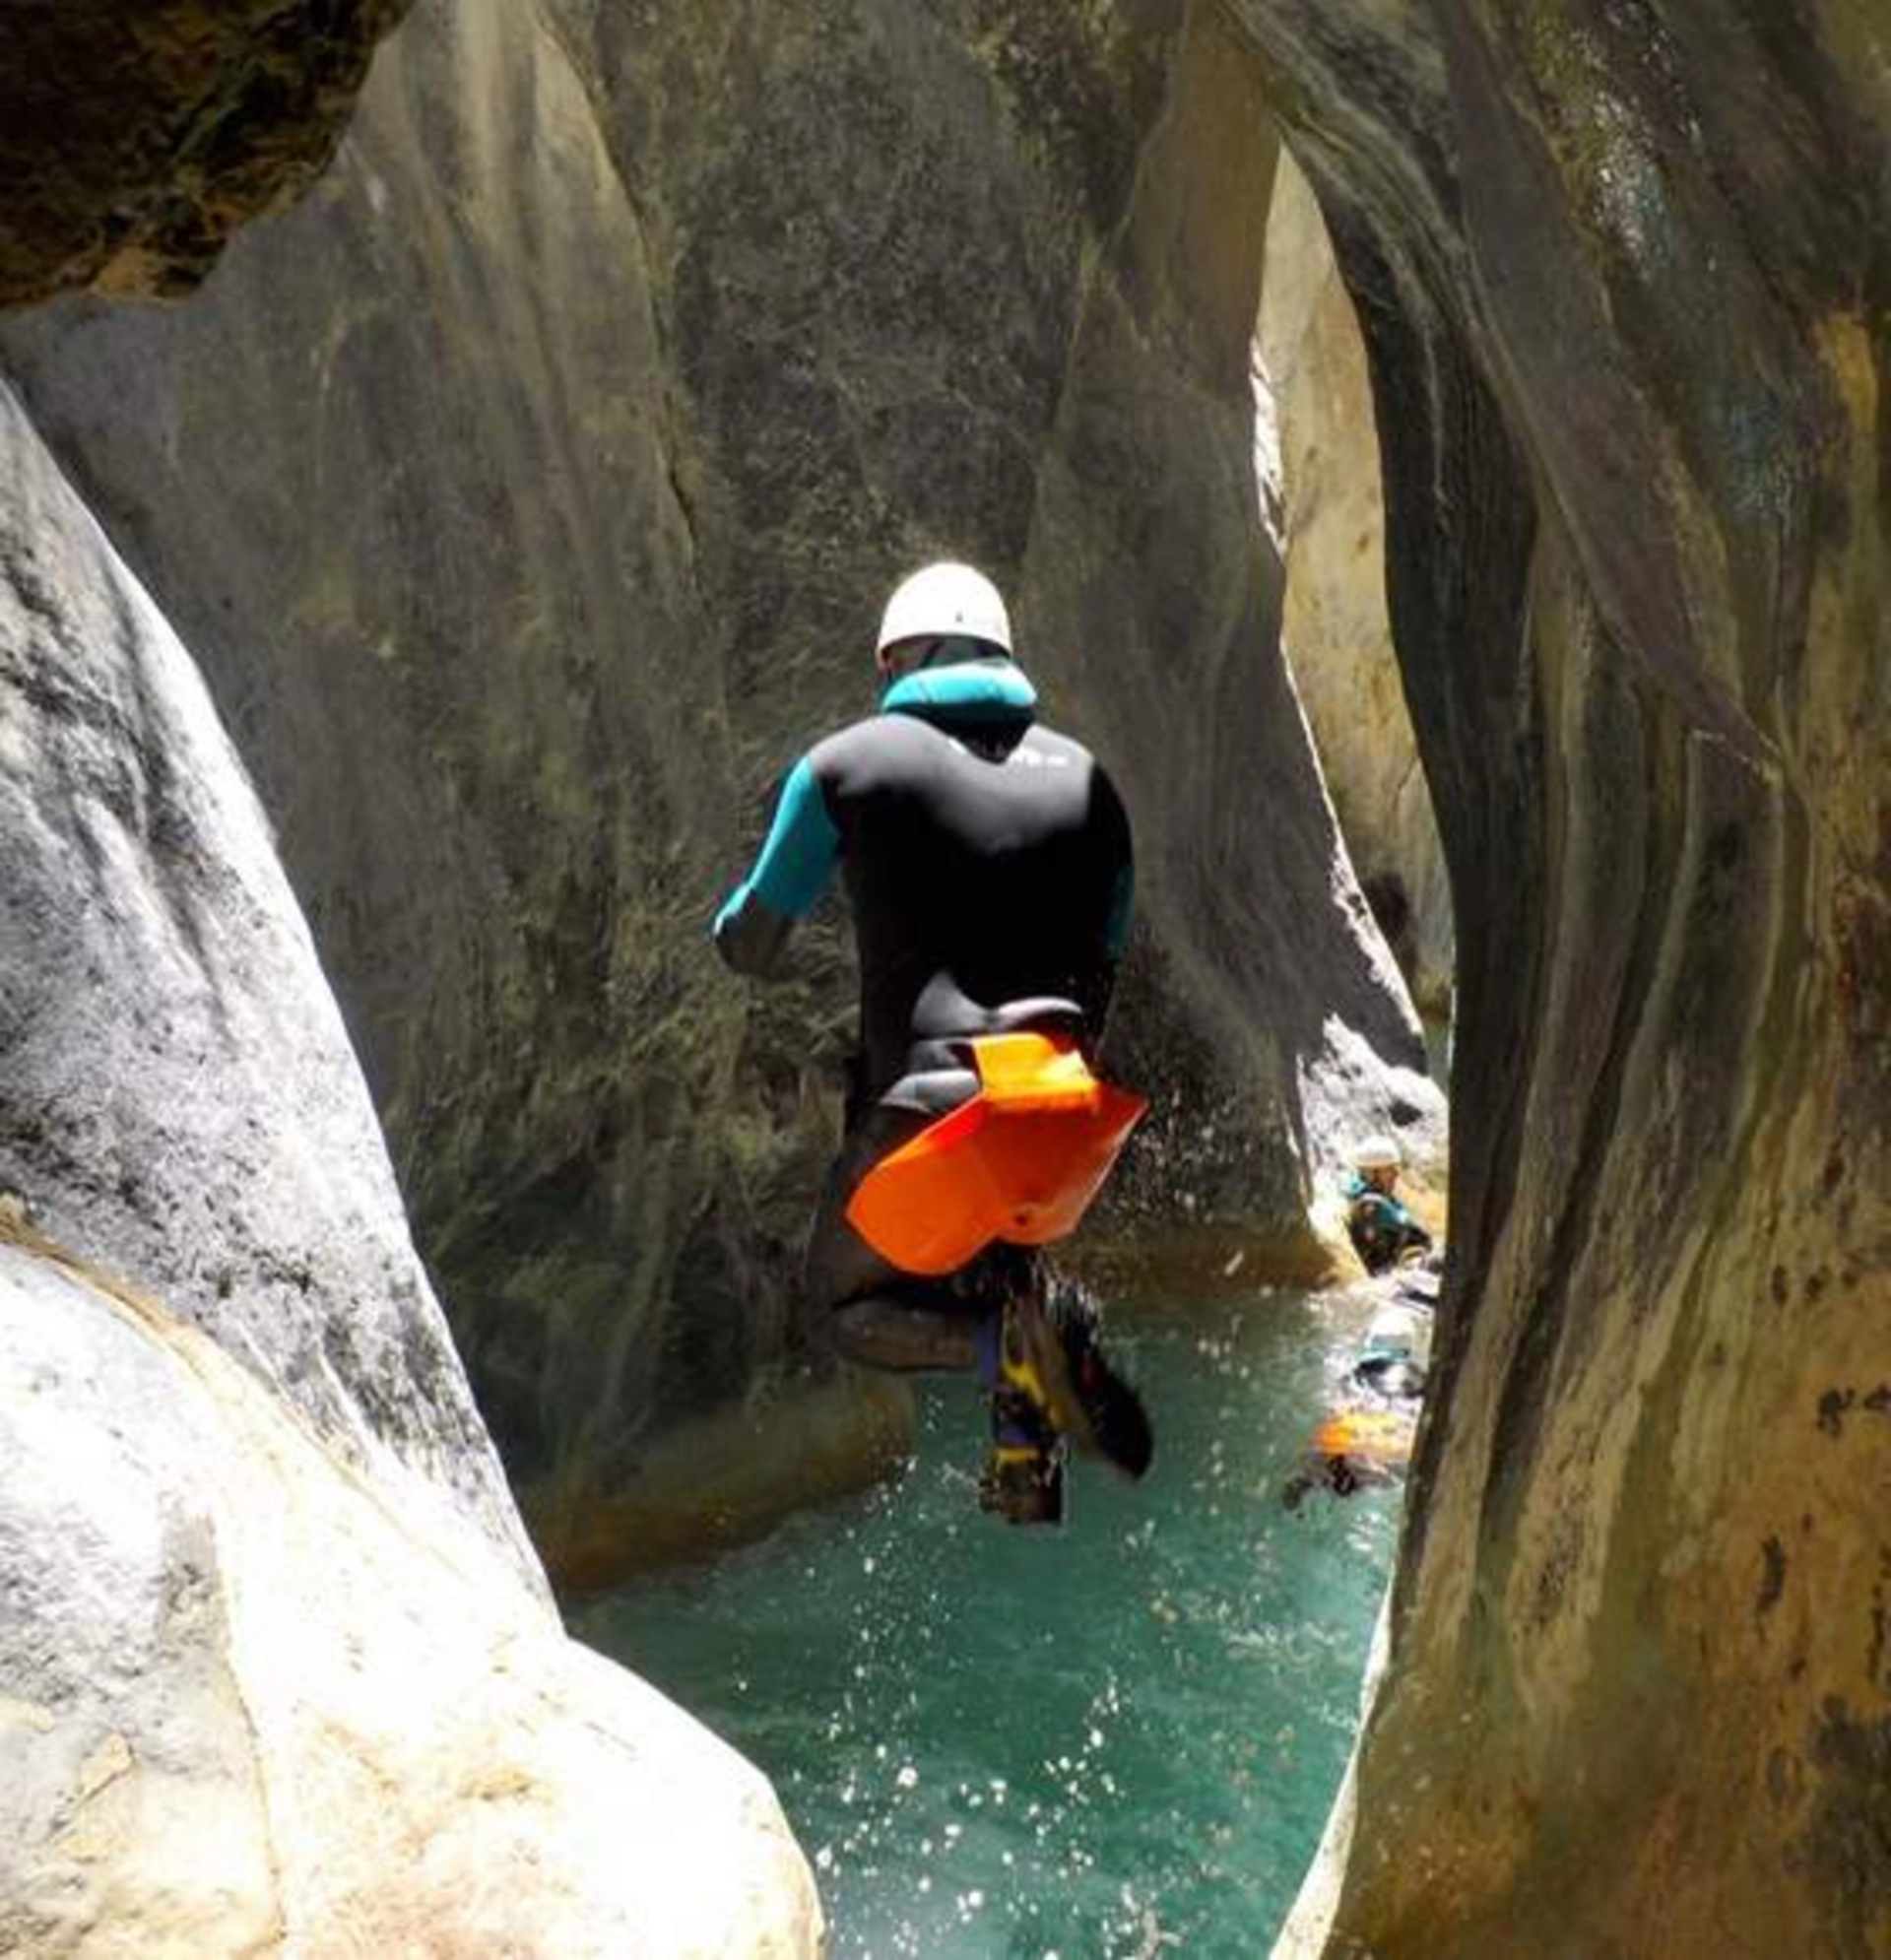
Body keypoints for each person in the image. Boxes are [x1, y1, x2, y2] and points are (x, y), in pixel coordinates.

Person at [713, 561, 1150, 1523]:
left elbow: (752, 940)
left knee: (844, 1307)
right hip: (1068, 1123)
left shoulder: (845, 764)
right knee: (1003, 1243)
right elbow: (1107, 968)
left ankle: (1016, 1347)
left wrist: (729, 924)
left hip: (933, 1119)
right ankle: (1028, 1475)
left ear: (901, 657)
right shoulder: (1093, 782)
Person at [1341, 1135, 1433, 1274]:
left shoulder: (1378, 1197)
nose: (1396, 1174)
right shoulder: (1371, 1204)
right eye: (1390, 1170)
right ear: (1372, 1173)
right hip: (1390, 1272)